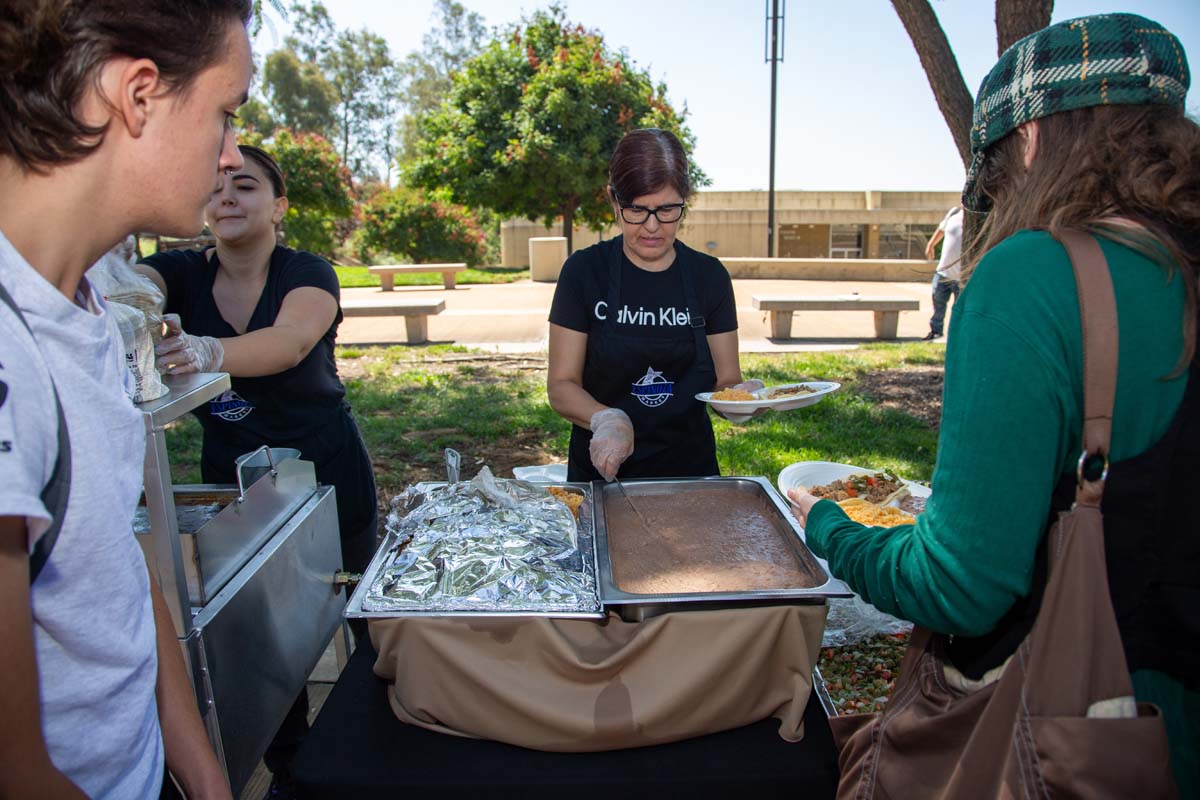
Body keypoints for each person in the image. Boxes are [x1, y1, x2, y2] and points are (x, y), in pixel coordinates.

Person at [788, 13, 1198, 794]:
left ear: (1034, 138)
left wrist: (829, 526)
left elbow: (961, 587)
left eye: (996, 173)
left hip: (1079, 740)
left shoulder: (1034, 277)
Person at [0, 2, 252, 798]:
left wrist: (201, 772)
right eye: (225, 115)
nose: (232, 153)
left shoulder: (86, 309)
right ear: (137, 94)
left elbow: (116, 568)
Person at [139, 144, 378, 798]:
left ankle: (380, 750)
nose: (226, 199)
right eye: (215, 186)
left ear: (279, 206)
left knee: (364, 621)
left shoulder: (307, 272)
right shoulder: (177, 272)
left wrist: (209, 349)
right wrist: (131, 303)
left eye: (244, 186)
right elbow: (132, 293)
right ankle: (295, 774)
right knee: (265, 651)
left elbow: (291, 341)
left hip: (329, 481)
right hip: (240, 490)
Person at [547, 128, 757, 482]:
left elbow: (726, 380)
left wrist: (741, 401)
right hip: (601, 479)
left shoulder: (710, 277)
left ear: (685, 203)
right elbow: (561, 385)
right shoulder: (584, 272)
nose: (652, 227)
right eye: (636, 210)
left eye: (668, 210)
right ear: (613, 200)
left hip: (690, 477)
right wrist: (606, 419)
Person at [921, 204, 962, 340]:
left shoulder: (978, 219)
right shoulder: (953, 214)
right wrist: (931, 244)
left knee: (958, 310)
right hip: (943, 272)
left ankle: (955, 337)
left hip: (962, 277)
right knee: (938, 303)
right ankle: (936, 331)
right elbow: (941, 229)